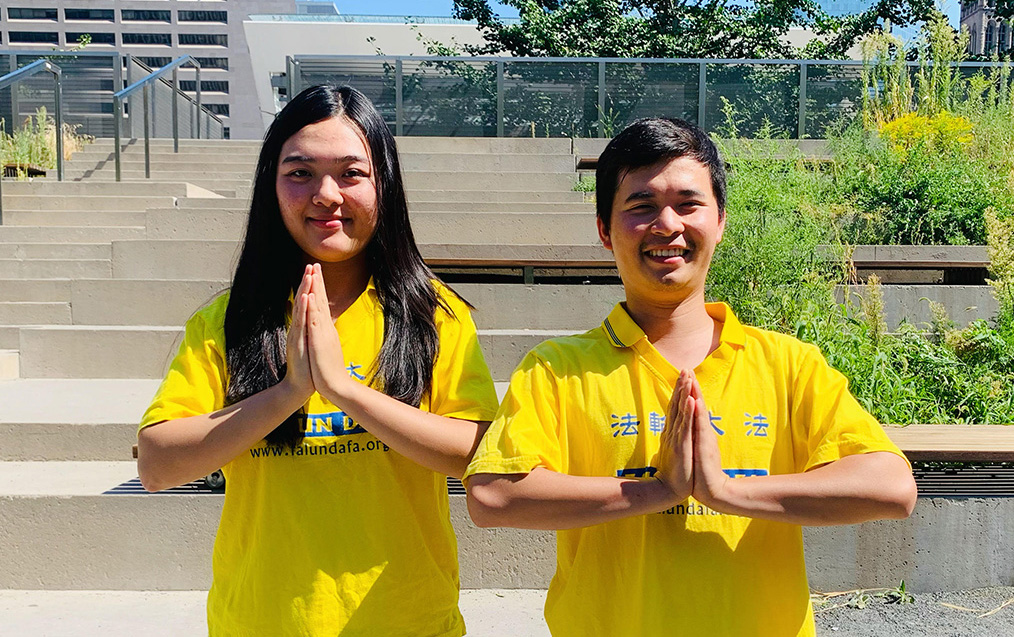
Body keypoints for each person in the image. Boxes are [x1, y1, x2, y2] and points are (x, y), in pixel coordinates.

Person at [463, 117, 917, 637]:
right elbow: (492, 495)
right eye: (641, 206)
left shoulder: (788, 363)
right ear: (604, 230)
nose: (667, 224)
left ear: (720, 220)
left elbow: (891, 486)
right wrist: (657, 490)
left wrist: (723, 491)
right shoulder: (557, 368)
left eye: (688, 203)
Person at [137, 85, 499, 636]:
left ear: (384, 185)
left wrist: (345, 392)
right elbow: (157, 466)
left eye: (351, 173)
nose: (326, 195)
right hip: (261, 621)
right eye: (300, 173)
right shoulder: (228, 321)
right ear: (271, 185)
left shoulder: (433, 314)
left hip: (406, 620)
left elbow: (480, 456)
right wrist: (288, 393)